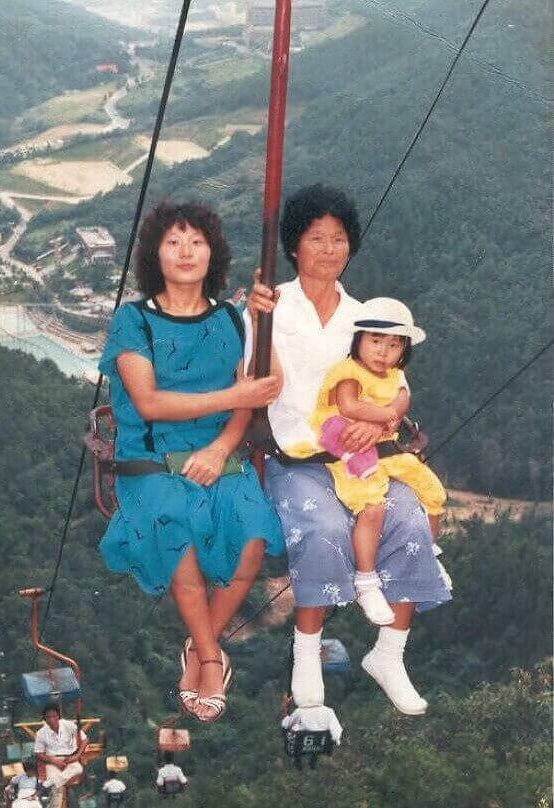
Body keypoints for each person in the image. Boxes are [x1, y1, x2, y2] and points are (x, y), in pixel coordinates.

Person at [246, 183, 452, 718]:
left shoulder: (365, 317)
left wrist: (381, 422)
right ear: (295, 246)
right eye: (318, 238)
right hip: (298, 454)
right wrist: (257, 319)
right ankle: (307, 652)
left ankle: (390, 652)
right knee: (323, 530)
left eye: (339, 239)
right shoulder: (270, 306)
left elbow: (388, 383)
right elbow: (255, 381)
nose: (330, 249)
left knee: (409, 518)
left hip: (363, 453)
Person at [98, 200, 284, 723]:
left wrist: (222, 447)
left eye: (196, 242)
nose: (185, 252)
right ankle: (208, 656)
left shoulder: (230, 317)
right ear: (155, 254)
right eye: (174, 241)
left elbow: (254, 394)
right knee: (174, 527)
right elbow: (150, 401)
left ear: (212, 254)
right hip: (152, 456)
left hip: (217, 450)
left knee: (251, 535)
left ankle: (200, 643)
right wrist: (234, 397)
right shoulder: (133, 321)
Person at [306, 297, 447, 625]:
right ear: (358, 341)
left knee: (434, 494)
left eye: (394, 344)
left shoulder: (395, 375)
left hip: (385, 448)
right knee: (372, 506)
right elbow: (350, 406)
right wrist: (387, 416)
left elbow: (403, 397)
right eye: (375, 341)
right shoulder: (349, 372)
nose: (383, 351)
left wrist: (391, 416)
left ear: (403, 350)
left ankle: (427, 551)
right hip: (348, 446)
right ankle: (366, 579)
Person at [34, 704, 86, 808]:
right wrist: (54, 761)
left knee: (78, 768)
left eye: (54, 716)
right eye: (48, 717)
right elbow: (39, 754)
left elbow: (84, 740)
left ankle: (44, 786)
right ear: (44, 719)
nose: (51, 719)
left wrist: (77, 756)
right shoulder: (41, 733)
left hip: (70, 758)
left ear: (58, 716)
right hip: (52, 760)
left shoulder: (69, 725)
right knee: (57, 787)